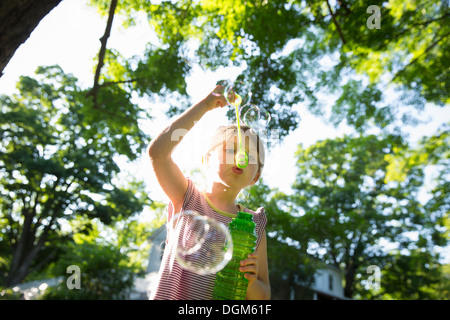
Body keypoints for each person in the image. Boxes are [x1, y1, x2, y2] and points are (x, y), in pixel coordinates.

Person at [148, 85, 270, 300]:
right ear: (206, 159)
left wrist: (251, 281)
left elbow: (264, 294)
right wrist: (204, 106)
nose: (239, 156)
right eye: (231, 149)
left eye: (250, 156)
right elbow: (158, 153)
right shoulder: (188, 198)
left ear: (255, 177)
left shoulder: (254, 222)